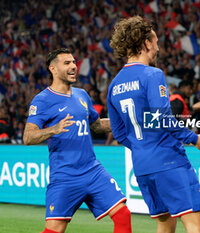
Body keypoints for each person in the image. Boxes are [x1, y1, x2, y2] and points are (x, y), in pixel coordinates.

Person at [107, 16, 200, 233]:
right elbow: (163, 118)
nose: (157, 48)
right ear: (146, 43)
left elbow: (118, 132)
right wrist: (195, 139)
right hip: (169, 161)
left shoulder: (114, 85)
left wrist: (141, 146)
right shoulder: (152, 75)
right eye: (155, 42)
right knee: (196, 225)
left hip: (142, 166)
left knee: (165, 223)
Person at [23, 48, 131, 233]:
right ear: (53, 69)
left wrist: (126, 120)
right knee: (54, 229)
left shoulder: (82, 95)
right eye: (67, 63)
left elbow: (95, 125)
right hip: (65, 175)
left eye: (74, 62)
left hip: (92, 170)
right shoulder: (42, 100)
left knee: (123, 215)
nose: (73, 66)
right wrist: (53, 129)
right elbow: (28, 137)